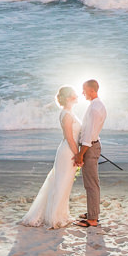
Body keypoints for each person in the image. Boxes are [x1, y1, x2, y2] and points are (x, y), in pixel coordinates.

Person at [20, 86, 81, 229]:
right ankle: (55, 218)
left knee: (64, 183)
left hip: (70, 150)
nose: (77, 96)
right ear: (67, 98)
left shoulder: (70, 113)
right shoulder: (66, 115)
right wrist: (78, 154)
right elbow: (69, 138)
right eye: (74, 94)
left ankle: (62, 214)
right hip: (68, 152)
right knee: (61, 183)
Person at [73, 79, 107, 227]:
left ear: (92, 90)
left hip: (90, 147)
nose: (82, 93)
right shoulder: (97, 105)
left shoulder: (94, 108)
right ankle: (92, 212)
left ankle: (92, 219)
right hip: (94, 145)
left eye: (84, 90)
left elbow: (88, 135)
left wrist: (81, 153)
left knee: (91, 184)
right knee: (93, 183)